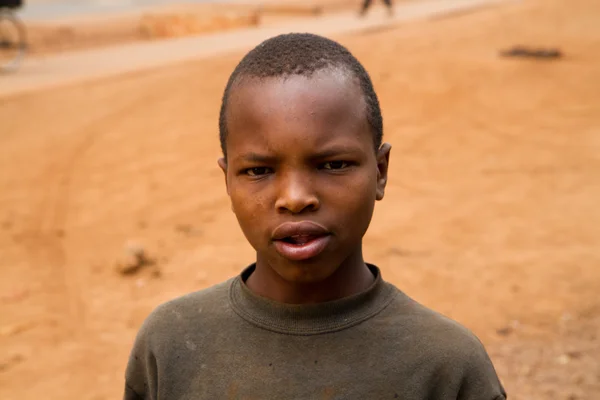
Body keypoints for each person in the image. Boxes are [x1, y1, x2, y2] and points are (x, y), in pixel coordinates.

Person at [122, 33, 507, 400]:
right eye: (258, 171)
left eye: (333, 164)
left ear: (380, 171)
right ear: (227, 180)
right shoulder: (171, 343)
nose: (295, 198)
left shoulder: (447, 365)